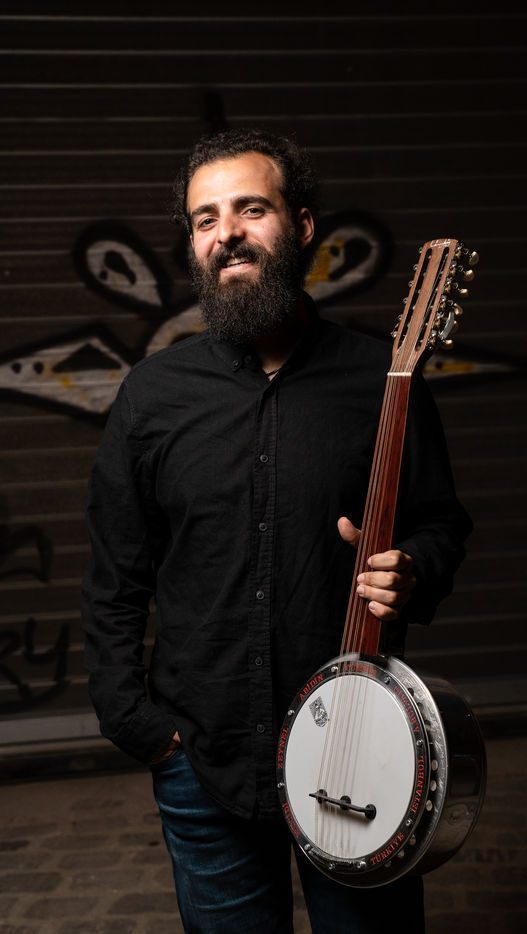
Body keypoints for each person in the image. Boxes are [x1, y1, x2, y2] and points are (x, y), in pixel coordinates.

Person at [82, 128, 472, 933]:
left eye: (250, 209)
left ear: (300, 226)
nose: (225, 232)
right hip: (203, 758)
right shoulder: (152, 396)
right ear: (193, 243)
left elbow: (439, 521)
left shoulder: (384, 378)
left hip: (363, 749)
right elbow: (114, 575)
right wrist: (141, 727)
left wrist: (412, 567)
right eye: (205, 219)